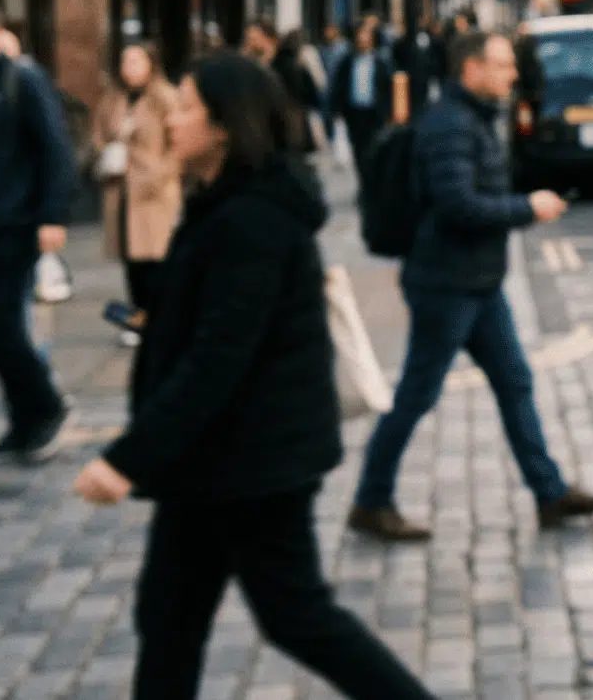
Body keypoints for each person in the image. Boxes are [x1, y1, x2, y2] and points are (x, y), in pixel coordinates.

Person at [70, 53, 435, 700]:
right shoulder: (224, 204)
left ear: (225, 128)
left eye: (185, 107)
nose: (172, 119)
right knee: (169, 616)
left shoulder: (252, 220)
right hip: (213, 460)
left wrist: (126, 459)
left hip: (256, 460)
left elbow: (219, 358)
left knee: (297, 616)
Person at [347, 31, 593, 540]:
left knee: (515, 382)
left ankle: (549, 493)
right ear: (471, 69)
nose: (512, 74)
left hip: (477, 284)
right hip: (446, 285)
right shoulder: (450, 126)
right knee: (416, 395)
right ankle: (370, 499)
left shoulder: (472, 118)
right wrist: (527, 208)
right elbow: (458, 206)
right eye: (502, 65)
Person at [0, 0, 74, 463]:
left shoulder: (22, 78)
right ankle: (24, 422)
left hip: (17, 222)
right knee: (1, 325)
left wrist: (52, 215)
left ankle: (45, 409)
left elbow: (55, 149)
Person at [95, 43, 183, 342]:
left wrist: (160, 174)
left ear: (150, 63)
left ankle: (159, 318)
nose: (129, 67)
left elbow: (177, 145)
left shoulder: (164, 97)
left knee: (154, 259)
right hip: (121, 189)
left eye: (135, 61)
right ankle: (137, 317)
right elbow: (99, 133)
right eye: (124, 61)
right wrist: (104, 155)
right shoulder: (114, 97)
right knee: (131, 258)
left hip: (154, 192)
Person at [328, 20, 394, 184]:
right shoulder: (347, 61)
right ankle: (364, 183)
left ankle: (372, 182)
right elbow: (339, 86)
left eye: (366, 35)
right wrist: (336, 110)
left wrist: (390, 112)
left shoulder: (381, 62)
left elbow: (388, 87)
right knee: (358, 150)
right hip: (355, 113)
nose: (363, 39)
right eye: (360, 35)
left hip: (375, 113)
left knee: (375, 149)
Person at [245, 22, 319, 146]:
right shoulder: (251, 67)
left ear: (269, 39)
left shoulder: (288, 67)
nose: (249, 44)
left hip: (286, 137)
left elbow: (303, 100)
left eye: (253, 39)